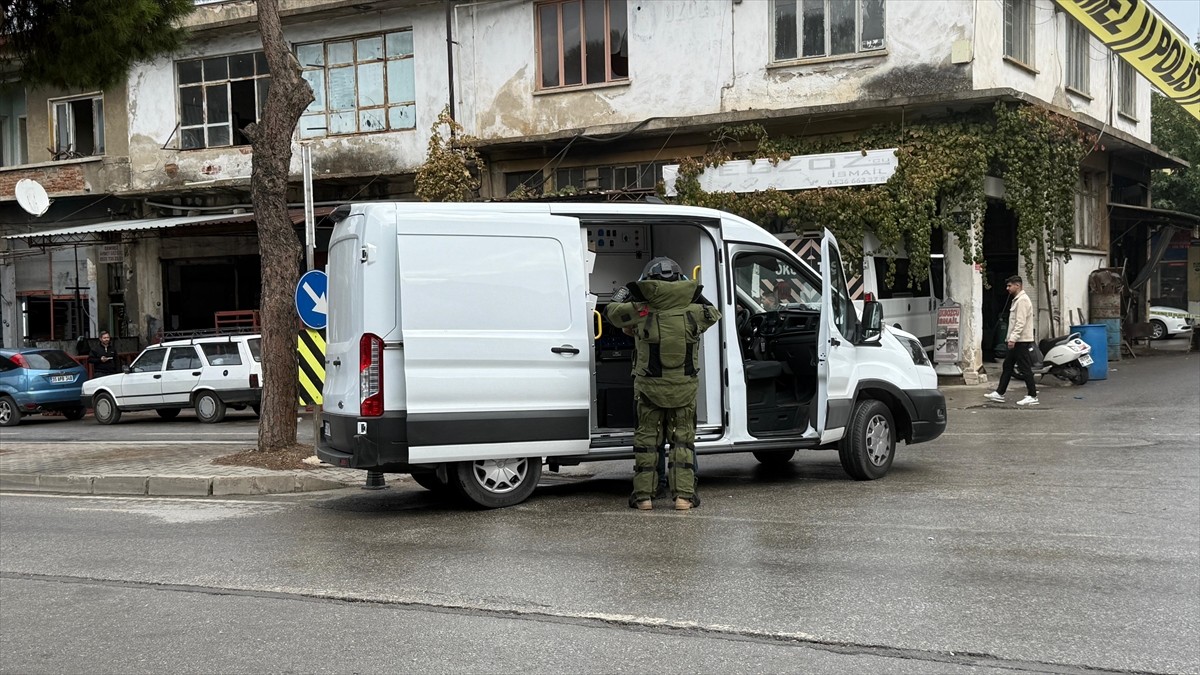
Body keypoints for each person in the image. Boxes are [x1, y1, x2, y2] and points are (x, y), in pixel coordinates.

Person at [606, 257, 721, 511]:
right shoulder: (694, 313)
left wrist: (626, 291)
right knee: (683, 443)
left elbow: (612, 313)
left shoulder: (641, 309)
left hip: (648, 389)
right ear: (678, 279)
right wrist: (691, 291)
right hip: (683, 388)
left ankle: (644, 497)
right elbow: (713, 312)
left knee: (647, 443)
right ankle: (683, 497)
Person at [986, 276, 1038, 405]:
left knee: (1024, 368)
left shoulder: (1022, 301)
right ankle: (999, 393)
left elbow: (1020, 322)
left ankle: (1032, 395)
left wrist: (1013, 339)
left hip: (1021, 340)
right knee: (1007, 366)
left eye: (1010, 286)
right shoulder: (1017, 300)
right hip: (1016, 340)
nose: (1007, 289)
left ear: (1018, 286)